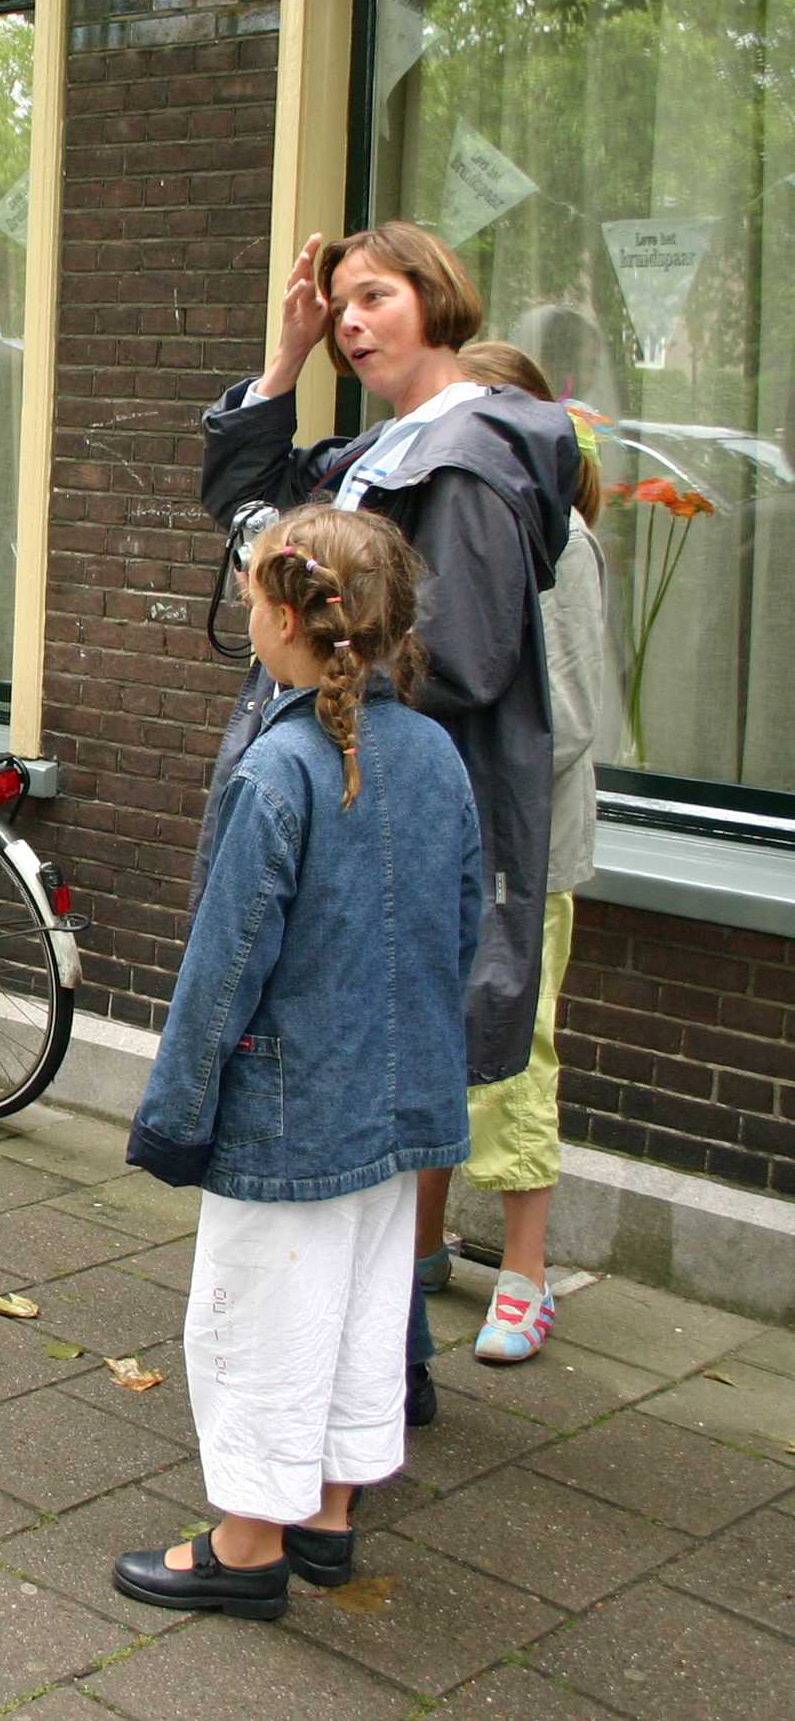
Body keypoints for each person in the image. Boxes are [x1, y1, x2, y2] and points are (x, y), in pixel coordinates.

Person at [199, 223, 578, 1415]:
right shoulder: (383, 447)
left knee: (349, 1084)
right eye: (341, 303)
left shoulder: (470, 456)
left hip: (382, 819)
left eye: (376, 296)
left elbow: (464, 653)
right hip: (349, 797)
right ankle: (373, 1371)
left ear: (437, 296)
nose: (353, 322)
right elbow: (245, 513)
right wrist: (283, 358)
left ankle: (364, 1383)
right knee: (353, 1087)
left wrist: (318, 665)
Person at [110, 504, 480, 1623]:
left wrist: (176, 1113)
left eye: (250, 604)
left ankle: (246, 1543)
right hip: (400, 1102)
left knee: (262, 1314)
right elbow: (462, 923)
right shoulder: (437, 753)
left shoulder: (280, 766)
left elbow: (224, 964)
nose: (246, 621)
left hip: (288, 1106)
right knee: (365, 1302)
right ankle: (327, 1509)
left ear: (286, 618)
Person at [424, 339, 611, 1362]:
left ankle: (526, 1279)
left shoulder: (559, 541)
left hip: (522, 852)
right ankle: (420, 1248)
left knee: (515, 1052)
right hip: (456, 842)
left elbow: (565, 720)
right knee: (434, 1045)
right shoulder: (463, 518)